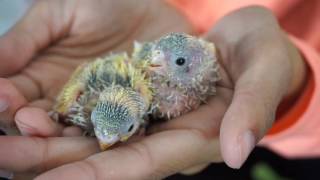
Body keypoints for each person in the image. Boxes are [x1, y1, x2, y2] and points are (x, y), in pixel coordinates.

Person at [0, 0, 319, 179]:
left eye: (173, 62)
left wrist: (300, 85)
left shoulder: (194, 79)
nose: (153, 64)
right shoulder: (137, 78)